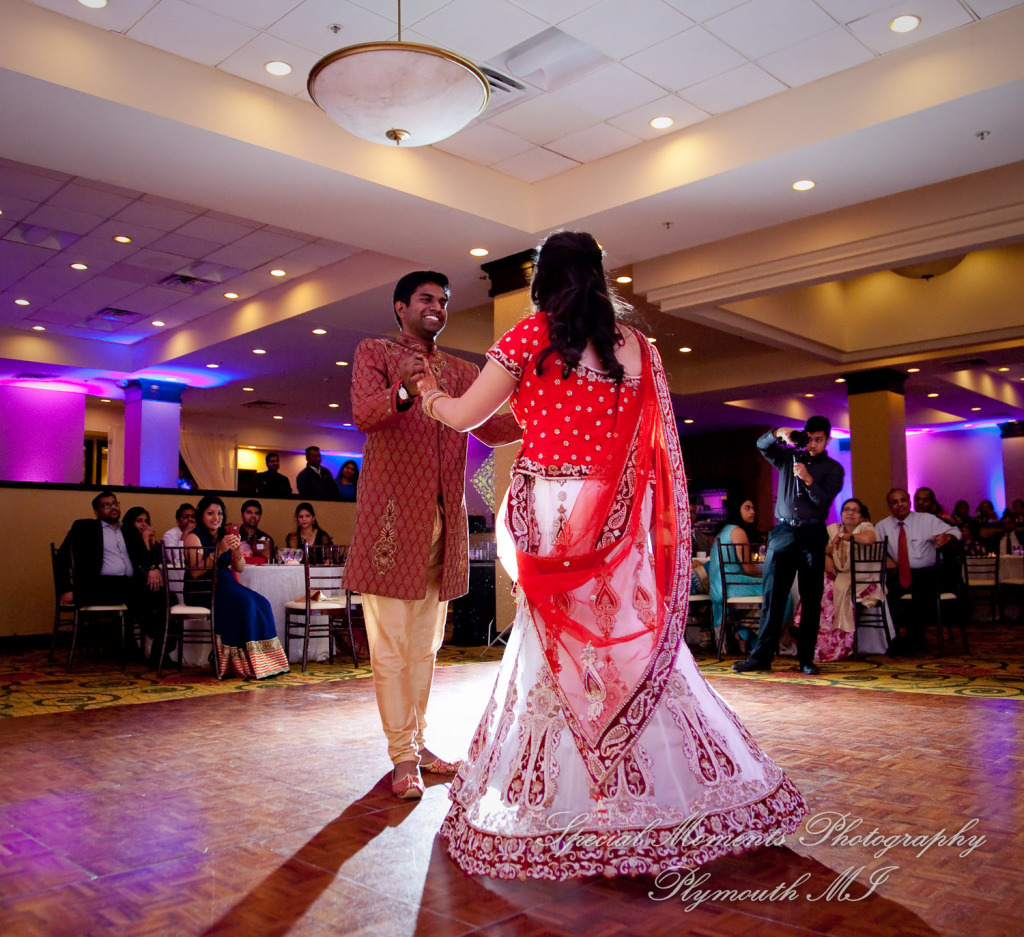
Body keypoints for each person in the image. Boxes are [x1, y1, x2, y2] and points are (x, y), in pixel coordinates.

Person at [417, 231, 806, 880]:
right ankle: (650, 796)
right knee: (628, 647)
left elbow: (462, 417)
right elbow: (651, 449)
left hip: (550, 516)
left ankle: (568, 802)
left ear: (544, 280)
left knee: (552, 654)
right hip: (616, 517)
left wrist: (428, 392)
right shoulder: (638, 349)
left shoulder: (529, 336)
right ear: (598, 276)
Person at [343, 269, 523, 801]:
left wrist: (541, 416)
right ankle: (402, 757)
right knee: (391, 647)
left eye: (443, 301)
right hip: (390, 524)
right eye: (426, 299)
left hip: (445, 526)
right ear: (400, 306)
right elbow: (365, 414)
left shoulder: (462, 372)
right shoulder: (374, 352)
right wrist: (403, 387)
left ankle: (418, 747)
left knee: (425, 647)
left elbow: (488, 426)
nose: (438, 308)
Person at [733, 417, 844, 675]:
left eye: (819, 440)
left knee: (811, 598)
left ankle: (806, 660)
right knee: (773, 598)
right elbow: (761, 445)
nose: (813, 444)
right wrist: (779, 432)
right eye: (810, 438)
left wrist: (808, 479)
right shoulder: (788, 458)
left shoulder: (833, 469)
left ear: (827, 440)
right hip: (783, 532)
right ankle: (761, 658)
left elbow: (824, 501)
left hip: (812, 533)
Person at [183, 494, 289, 680]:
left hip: (227, 584)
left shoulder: (224, 536)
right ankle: (241, 664)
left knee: (262, 602)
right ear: (201, 515)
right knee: (246, 602)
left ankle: (267, 662)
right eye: (210, 513)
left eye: (220, 513)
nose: (216, 517)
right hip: (204, 588)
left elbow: (239, 567)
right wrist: (219, 551)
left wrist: (236, 549)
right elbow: (195, 572)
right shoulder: (193, 537)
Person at [57, 491, 163, 659]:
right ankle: (156, 637)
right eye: (106, 505)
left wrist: (152, 568)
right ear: (96, 511)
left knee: (164, 594)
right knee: (136, 592)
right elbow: (62, 556)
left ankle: (160, 645)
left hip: (127, 585)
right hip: (98, 585)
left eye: (115, 503)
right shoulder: (85, 528)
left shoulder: (127, 530)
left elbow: (143, 555)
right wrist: (66, 588)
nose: (112, 507)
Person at [875, 488, 961, 654]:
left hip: (927, 573)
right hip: (899, 573)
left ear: (909, 502)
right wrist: (886, 559)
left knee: (920, 593)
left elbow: (955, 531)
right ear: (889, 506)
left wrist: (947, 537)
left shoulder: (927, 520)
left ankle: (915, 639)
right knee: (883, 592)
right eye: (895, 502)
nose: (900, 505)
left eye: (903, 500)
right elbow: (876, 548)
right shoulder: (882, 526)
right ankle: (892, 639)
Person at [805, 498, 893, 660]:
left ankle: (838, 644)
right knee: (818, 583)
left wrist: (843, 536)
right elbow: (817, 548)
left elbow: (868, 539)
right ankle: (816, 640)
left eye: (855, 510)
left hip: (863, 580)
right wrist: (827, 557)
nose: (850, 513)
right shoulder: (832, 529)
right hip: (842, 577)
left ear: (861, 516)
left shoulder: (866, 527)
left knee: (825, 589)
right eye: (846, 509)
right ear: (841, 514)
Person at [706, 498, 763, 653]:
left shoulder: (725, 530)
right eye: (747, 508)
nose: (753, 512)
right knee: (780, 592)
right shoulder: (738, 532)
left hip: (719, 585)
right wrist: (767, 574)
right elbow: (748, 568)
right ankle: (770, 641)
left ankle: (744, 635)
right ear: (737, 510)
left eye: (753, 508)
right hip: (732, 585)